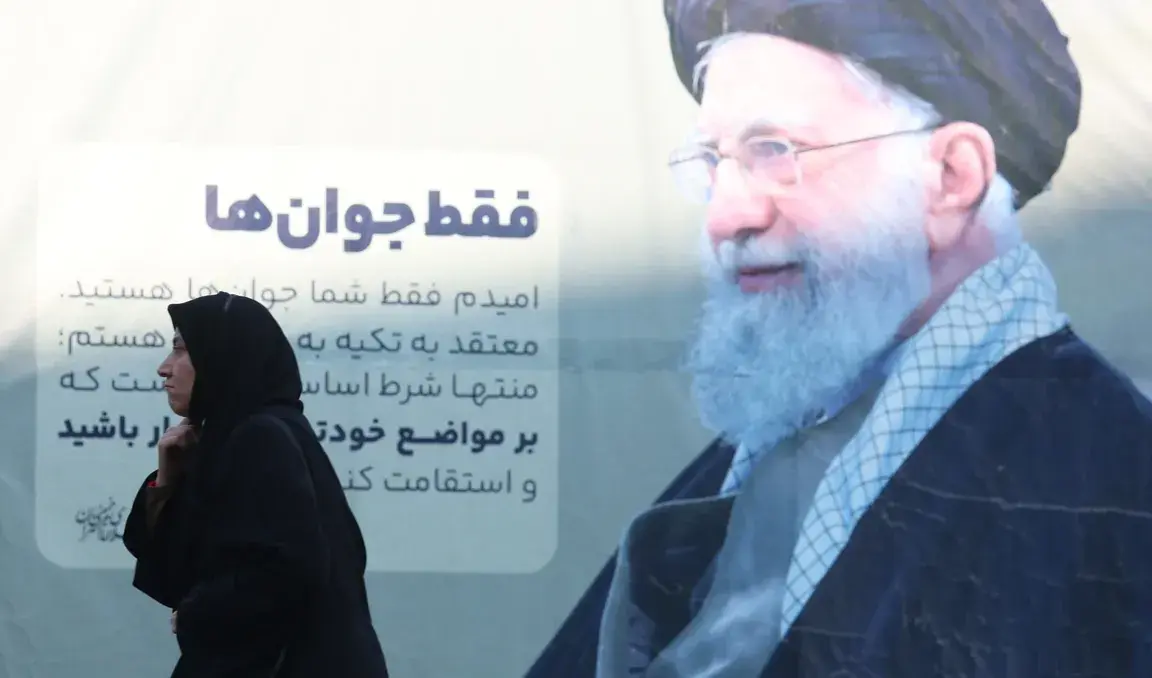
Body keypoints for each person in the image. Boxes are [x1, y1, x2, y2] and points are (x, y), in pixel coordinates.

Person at [526, 0, 1152, 676]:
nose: (727, 216)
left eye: (775, 152)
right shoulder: (780, 429)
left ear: (953, 175)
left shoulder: (1112, 482)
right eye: (713, 161)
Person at [123, 291, 390, 677]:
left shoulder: (261, 436)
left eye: (181, 350)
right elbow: (172, 573)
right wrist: (167, 481)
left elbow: (286, 568)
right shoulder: (231, 437)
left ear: (223, 355)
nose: (164, 368)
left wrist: (199, 613)